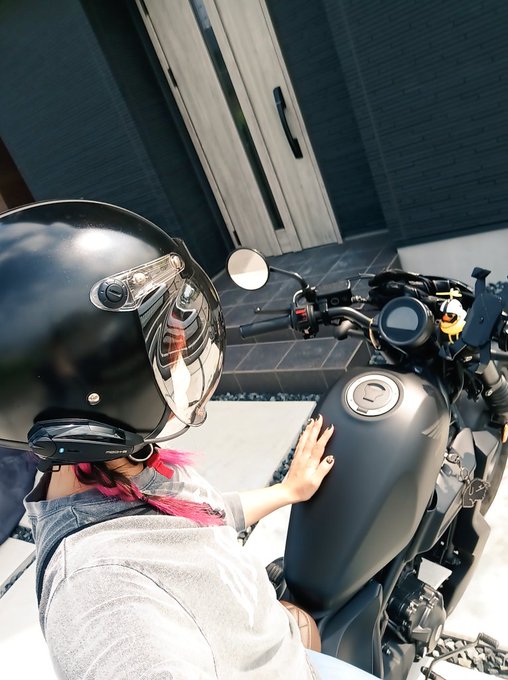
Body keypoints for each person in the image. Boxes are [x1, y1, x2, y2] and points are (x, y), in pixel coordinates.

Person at [0, 200, 375, 679]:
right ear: (96, 380)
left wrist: (287, 490)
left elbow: (200, 518)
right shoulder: (97, 589)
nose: (180, 348)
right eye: (164, 343)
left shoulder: (131, 466)